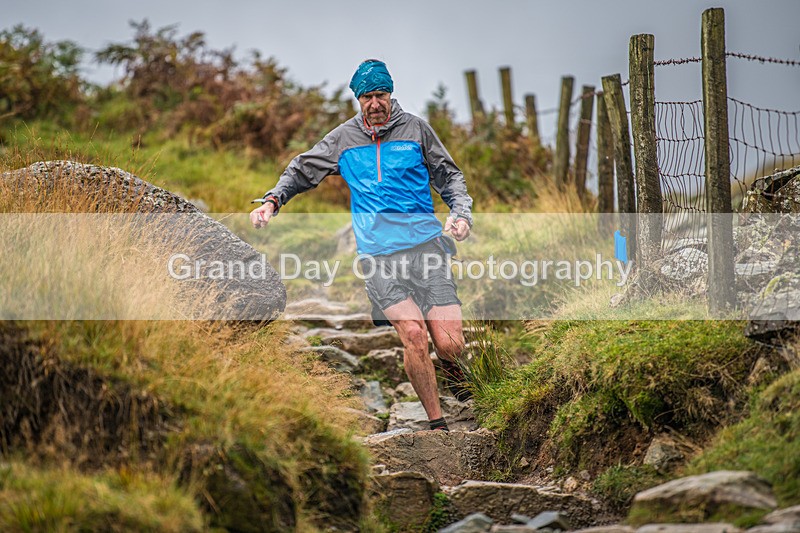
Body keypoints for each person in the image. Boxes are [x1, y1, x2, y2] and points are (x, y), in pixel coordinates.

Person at [250, 59, 474, 432]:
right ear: (358, 99)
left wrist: (461, 213)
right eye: (367, 97)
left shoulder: (416, 130)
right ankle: (438, 424)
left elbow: (450, 176)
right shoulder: (342, 139)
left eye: (381, 95)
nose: (375, 103)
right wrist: (272, 202)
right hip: (378, 256)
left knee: (449, 343)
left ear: (391, 94)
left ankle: (452, 368)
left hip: (427, 247)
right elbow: (302, 169)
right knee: (415, 335)